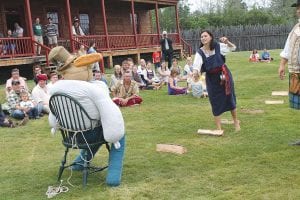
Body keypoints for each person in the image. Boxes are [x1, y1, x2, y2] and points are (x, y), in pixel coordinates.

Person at [48, 46, 125, 186]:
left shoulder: (55, 89)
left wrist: (56, 126)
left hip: (70, 136)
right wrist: (114, 136)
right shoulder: (94, 89)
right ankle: (113, 176)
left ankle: (79, 164)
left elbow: (53, 119)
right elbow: (112, 117)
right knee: (117, 135)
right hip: (89, 135)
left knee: (95, 129)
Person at [193, 30, 240, 132]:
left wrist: (227, 42)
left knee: (229, 98)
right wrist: (195, 72)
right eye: (201, 37)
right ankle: (219, 128)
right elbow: (196, 66)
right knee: (215, 101)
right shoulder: (200, 52)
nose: (203, 38)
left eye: (205, 36)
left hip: (224, 75)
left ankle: (236, 122)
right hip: (211, 79)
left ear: (210, 37)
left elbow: (233, 48)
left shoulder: (219, 46)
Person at [278, 0, 300, 110]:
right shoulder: (296, 28)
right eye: (298, 8)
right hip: (296, 73)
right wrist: (282, 65)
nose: (298, 10)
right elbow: (288, 48)